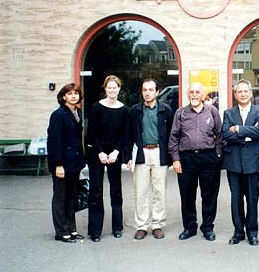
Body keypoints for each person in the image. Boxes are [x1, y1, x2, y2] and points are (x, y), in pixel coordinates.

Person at [169, 82, 223, 241]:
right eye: (191, 92)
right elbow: (173, 137)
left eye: (197, 92)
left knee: (209, 195)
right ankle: (190, 227)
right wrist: (176, 159)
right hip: (187, 159)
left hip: (209, 158)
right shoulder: (180, 113)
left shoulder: (212, 111)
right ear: (187, 94)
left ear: (203, 95)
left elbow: (220, 135)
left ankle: (208, 227)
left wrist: (218, 155)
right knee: (187, 195)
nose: (194, 95)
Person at [124, 78, 174, 240]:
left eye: (151, 90)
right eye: (145, 90)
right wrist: (127, 157)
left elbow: (172, 135)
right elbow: (128, 135)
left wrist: (172, 157)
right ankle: (142, 225)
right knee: (141, 191)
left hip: (159, 153)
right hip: (141, 153)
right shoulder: (135, 110)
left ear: (157, 92)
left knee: (159, 191)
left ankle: (157, 224)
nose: (147, 93)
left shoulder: (166, 110)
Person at [222, 80, 259, 246]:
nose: (242, 94)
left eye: (245, 91)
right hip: (233, 161)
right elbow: (226, 134)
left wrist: (239, 129)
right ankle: (238, 232)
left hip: (252, 162)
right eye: (239, 92)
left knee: (252, 199)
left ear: (250, 93)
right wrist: (248, 134)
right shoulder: (228, 113)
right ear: (235, 95)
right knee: (236, 199)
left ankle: (252, 233)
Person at [86, 75, 128, 242]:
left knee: (116, 191)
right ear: (105, 89)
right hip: (98, 153)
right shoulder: (97, 107)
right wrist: (100, 152)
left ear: (119, 89)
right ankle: (95, 231)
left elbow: (124, 134)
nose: (112, 90)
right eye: (109, 87)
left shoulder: (124, 110)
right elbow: (91, 133)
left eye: (115, 87)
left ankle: (117, 227)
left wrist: (117, 151)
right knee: (96, 192)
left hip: (114, 154)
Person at [47, 83, 86, 243]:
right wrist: (58, 164)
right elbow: (54, 141)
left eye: (76, 93)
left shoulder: (77, 112)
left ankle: (71, 228)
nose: (73, 96)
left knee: (72, 197)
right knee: (60, 197)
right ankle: (61, 231)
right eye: (70, 94)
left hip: (75, 163)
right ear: (63, 97)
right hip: (62, 164)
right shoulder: (58, 115)